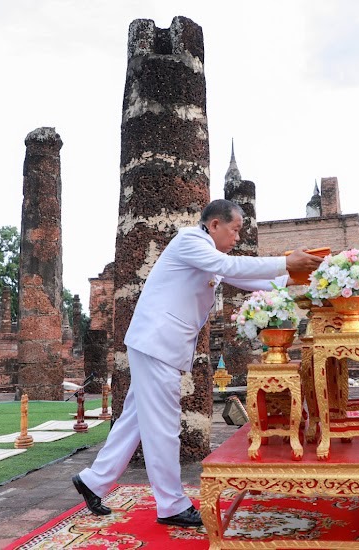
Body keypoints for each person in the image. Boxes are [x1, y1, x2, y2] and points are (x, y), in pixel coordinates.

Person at [72, 199, 324, 527]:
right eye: (234, 230)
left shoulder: (207, 255)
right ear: (215, 225)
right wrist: (286, 261)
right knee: (163, 426)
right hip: (157, 343)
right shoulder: (191, 241)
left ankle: (93, 481)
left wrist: (293, 277)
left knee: (134, 420)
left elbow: (243, 278)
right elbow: (233, 268)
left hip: (158, 343)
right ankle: (172, 505)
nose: (236, 237)